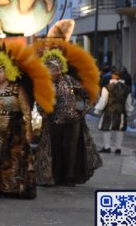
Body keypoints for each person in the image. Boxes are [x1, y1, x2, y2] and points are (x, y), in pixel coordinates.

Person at [0, 40, 55, 199]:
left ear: (9, 71)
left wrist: (29, 131)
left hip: (14, 130)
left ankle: (9, 189)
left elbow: (26, 111)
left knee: (12, 161)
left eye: (1, 71)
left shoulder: (17, 89)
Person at [34, 43, 102, 186]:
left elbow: (87, 95)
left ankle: (70, 177)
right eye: (50, 68)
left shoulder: (70, 81)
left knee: (70, 150)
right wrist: (44, 115)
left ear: (60, 68)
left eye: (55, 68)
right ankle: (56, 176)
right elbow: (39, 102)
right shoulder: (44, 84)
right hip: (53, 122)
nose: (53, 70)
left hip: (72, 122)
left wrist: (82, 112)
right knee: (55, 150)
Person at [95, 71, 134, 154]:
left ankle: (107, 147)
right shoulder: (126, 88)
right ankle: (118, 148)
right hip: (121, 111)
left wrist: (98, 109)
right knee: (119, 129)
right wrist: (129, 111)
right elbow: (128, 102)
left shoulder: (107, 87)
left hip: (109, 110)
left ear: (112, 78)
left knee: (106, 128)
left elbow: (103, 101)